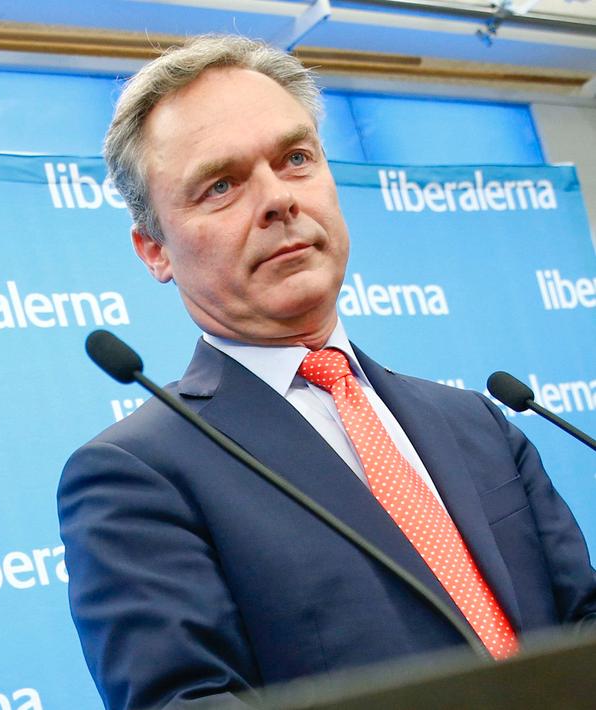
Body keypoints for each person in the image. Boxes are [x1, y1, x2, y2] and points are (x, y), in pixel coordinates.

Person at [58, 35, 596, 709]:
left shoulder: (477, 421)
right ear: (154, 250)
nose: (278, 200)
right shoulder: (135, 476)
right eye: (221, 185)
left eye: (296, 159)